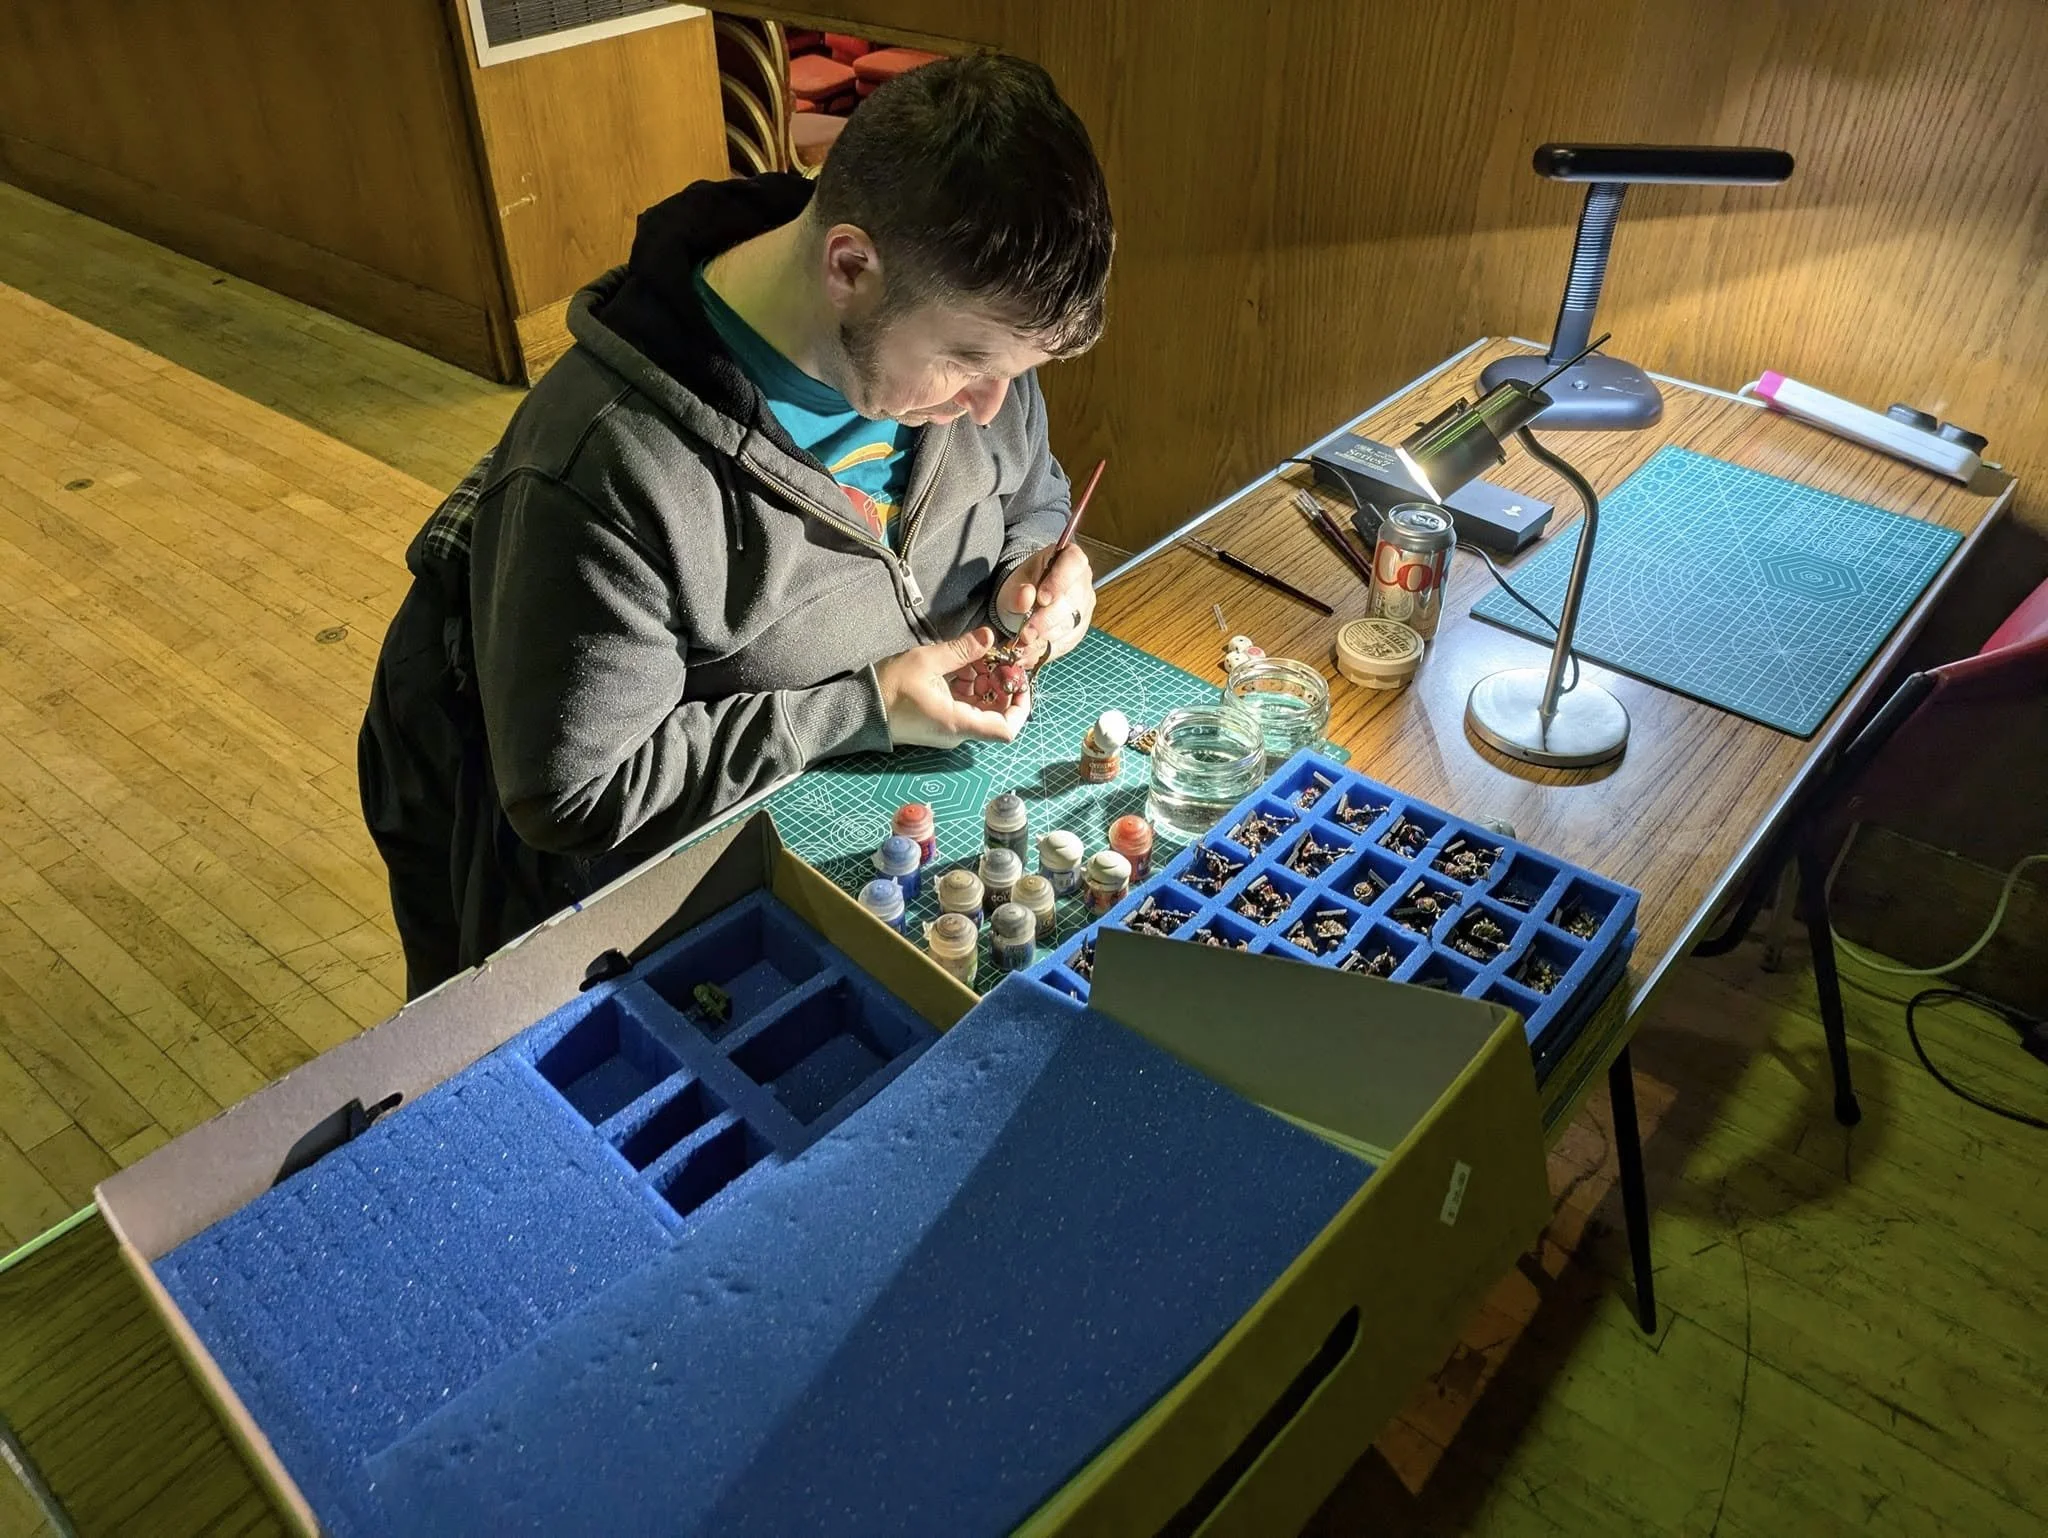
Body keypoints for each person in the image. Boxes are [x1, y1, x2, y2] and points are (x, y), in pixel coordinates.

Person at [357, 53, 1115, 997]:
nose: (991, 405)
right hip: (630, 887)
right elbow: (576, 793)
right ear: (850, 267)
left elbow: (1030, 487)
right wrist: (865, 707)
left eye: (1020, 371)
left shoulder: (961, 323)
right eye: (969, 363)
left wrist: (1035, 563)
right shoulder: (605, 473)